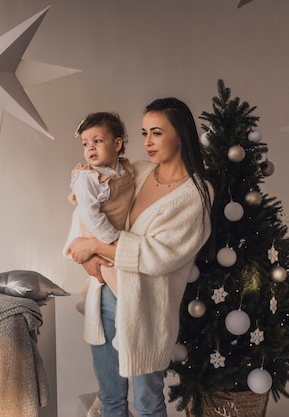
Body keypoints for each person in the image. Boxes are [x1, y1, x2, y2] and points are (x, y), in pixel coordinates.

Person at [68, 97, 213, 417]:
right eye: (144, 132)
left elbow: (159, 256)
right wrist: (85, 255)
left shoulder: (196, 193)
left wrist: (94, 247)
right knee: (110, 399)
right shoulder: (140, 172)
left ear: (181, 135)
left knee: (147, 403)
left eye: (157, 133)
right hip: (104, 295)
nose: (147, 141)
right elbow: (92, 209)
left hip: (147, 312)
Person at [63, 112, 135, 313]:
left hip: (113, 231)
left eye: (97, 141)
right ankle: (108, 311)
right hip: (96, 232)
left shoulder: (125, 171)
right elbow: (90, 215)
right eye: (85, 144)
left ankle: (90, 299)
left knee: (114, 273)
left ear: (117, 144)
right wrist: (112, 239)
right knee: (118, 281)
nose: (90, 148)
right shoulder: (88, 178)